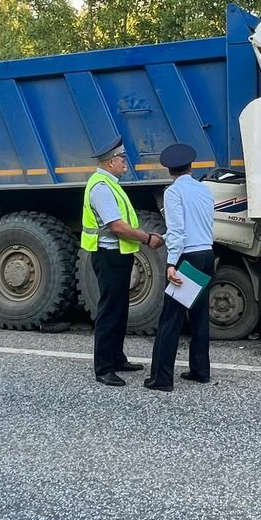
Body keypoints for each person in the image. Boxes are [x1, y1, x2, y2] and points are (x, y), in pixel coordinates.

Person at [81, 136, 163, 386]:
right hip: (109, 255)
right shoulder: (102, 187)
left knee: (119, 309)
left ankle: (117, 358)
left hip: (118, 255)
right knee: (109, 311)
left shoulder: (109, 183)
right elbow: (117, 226)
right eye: (122, 160)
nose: (125, 163)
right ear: (110, 162)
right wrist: (147, 237)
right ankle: (104, 368)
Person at [144, 143, 216, 392]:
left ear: (169, 170)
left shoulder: (173, 193)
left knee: (170, 319)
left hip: (187, 258)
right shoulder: (204, 190)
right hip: (206, 253)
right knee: (199, 314)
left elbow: (178, 230)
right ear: (191, 166)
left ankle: (161, 379)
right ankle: (200, 370)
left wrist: (171, 263)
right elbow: (196, 224)